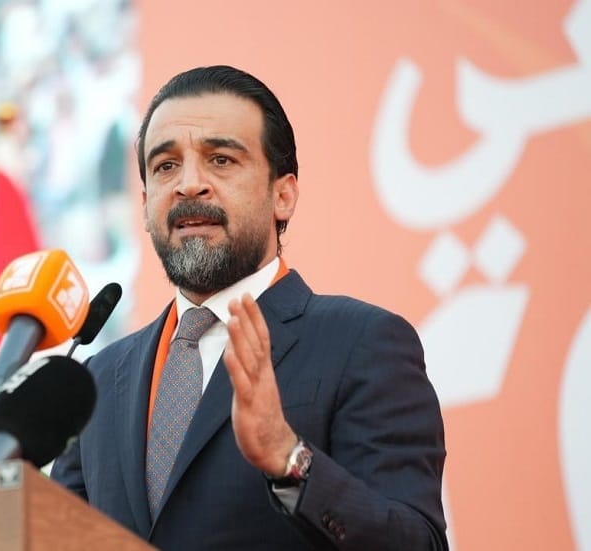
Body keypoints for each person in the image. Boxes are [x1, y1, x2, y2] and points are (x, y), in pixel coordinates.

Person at [50, 65, 448, 550]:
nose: (188, 185)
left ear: (283, 195)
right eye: (166, 166)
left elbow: (417, 543)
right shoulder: (97, 380)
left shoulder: (362, 343)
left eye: (220, 159)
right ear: (146, 204)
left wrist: (289, 458)